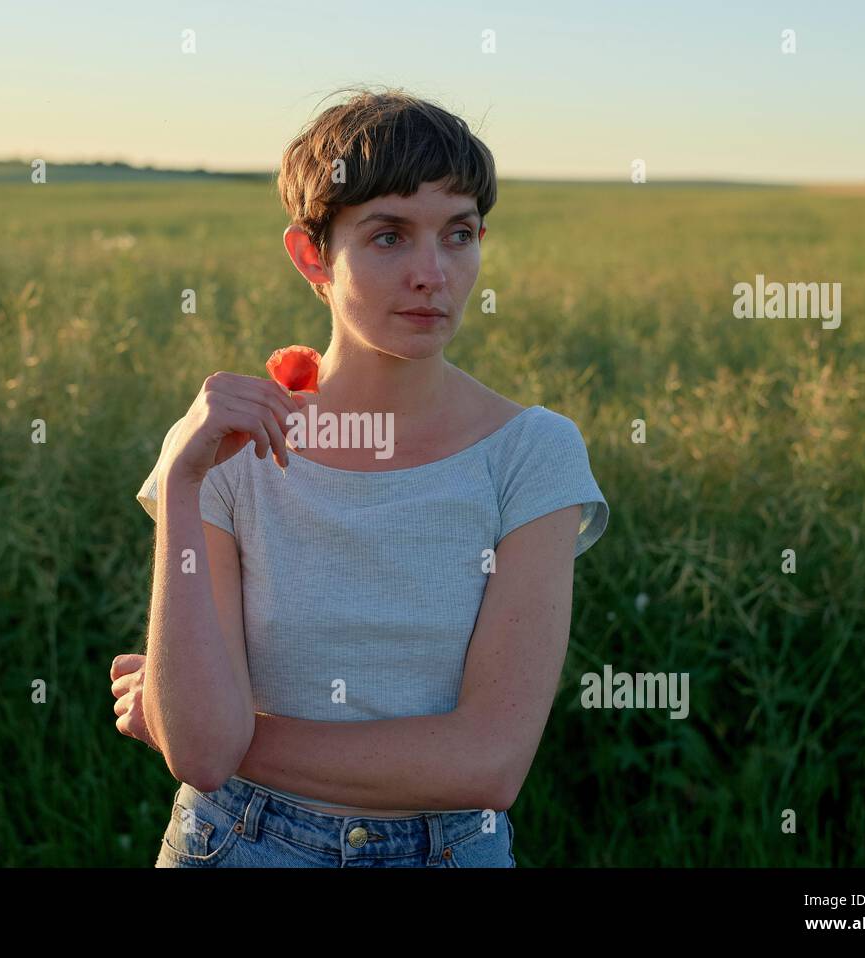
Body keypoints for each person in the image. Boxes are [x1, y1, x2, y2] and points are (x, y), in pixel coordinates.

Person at [114, 86, 609, 867]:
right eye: (388, 237)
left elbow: (488, 763)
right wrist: (179, 482)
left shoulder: (531, 454)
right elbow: (203, 759)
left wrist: (194, 724)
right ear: (312, 255)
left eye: (458, 234)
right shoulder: (224, 450)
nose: (432, 273)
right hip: (237, 844)